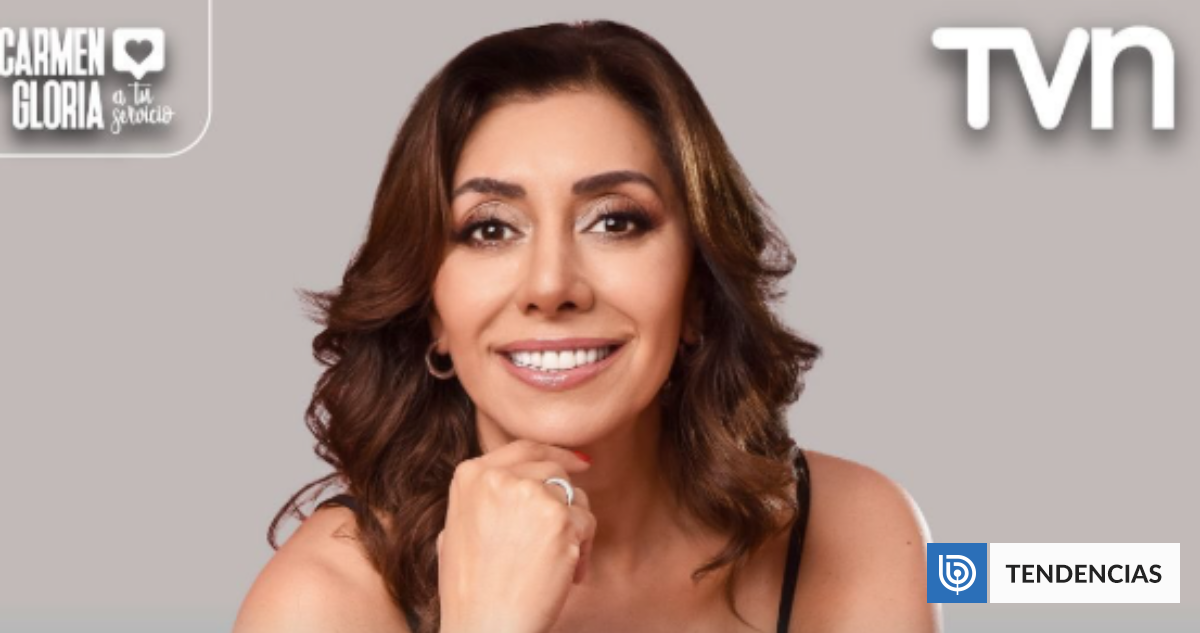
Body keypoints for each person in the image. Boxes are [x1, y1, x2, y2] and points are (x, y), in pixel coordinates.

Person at [234, 20, 938, 633]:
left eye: (615, 221)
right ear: (432, 310)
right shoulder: (318, 603)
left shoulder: (857, 535)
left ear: (697, 288)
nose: (551, 287)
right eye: (489, 229)